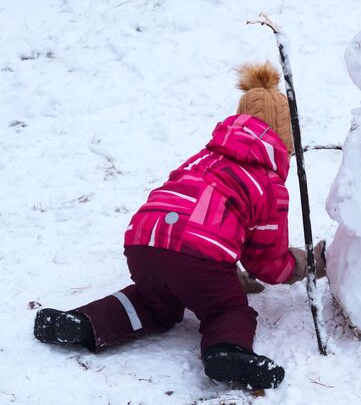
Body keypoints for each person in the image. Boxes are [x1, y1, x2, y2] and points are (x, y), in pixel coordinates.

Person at [33, 62, 326, 390]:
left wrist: (224, 271)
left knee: (152, 302)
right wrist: (305, 264)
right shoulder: (268, 184)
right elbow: (266, 263)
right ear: (285, 140)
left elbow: (207, 215)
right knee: (226, 309)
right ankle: (225, 351)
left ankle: (83, 323)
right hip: (196, 256)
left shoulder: (204, 158)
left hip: (144, 239)